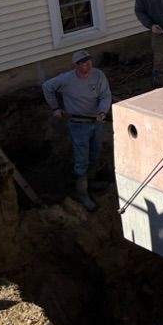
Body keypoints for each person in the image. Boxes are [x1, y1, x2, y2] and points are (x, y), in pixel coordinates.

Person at [42, 49, 112, 211]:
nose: (87, 65)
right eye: (83, 63)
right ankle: (81, 192)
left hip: (96, 120)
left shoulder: (98, 75)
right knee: (82, 156)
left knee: (95, 151)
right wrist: (55, 108)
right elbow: (47, 87)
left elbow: (105, 95)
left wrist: (103, 111)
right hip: (78, 124)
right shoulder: (66, 80)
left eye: (89, 61)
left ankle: (91, 180)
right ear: (77, 65)